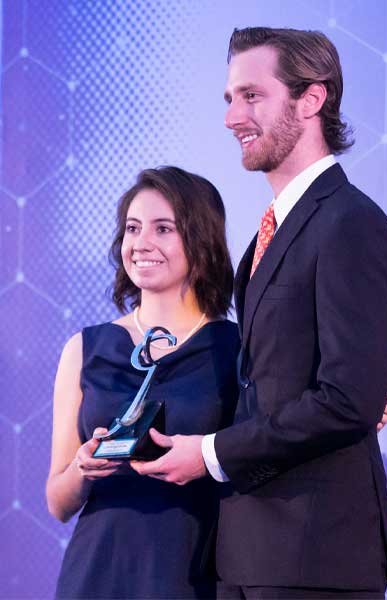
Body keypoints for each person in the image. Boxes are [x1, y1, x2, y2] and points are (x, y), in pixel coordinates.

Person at [131, 28, 387, 599]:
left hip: (316, 558)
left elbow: (348, 400)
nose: (233, 117)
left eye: (251, 96)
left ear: (312, 100)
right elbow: (271, 381)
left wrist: (209, 454)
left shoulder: (350, 223)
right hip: (248, 553)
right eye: (230, 99)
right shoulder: (267, 236)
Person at [47, 166, 241, 599]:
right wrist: (82, 468)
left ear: (201, 240)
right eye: (133, 228)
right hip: (97, 575)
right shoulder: (85, 348)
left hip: (194, 575)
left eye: (163, 228)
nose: (142, 243)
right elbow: (58, 502)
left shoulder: (236, 349)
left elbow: (281, 435)